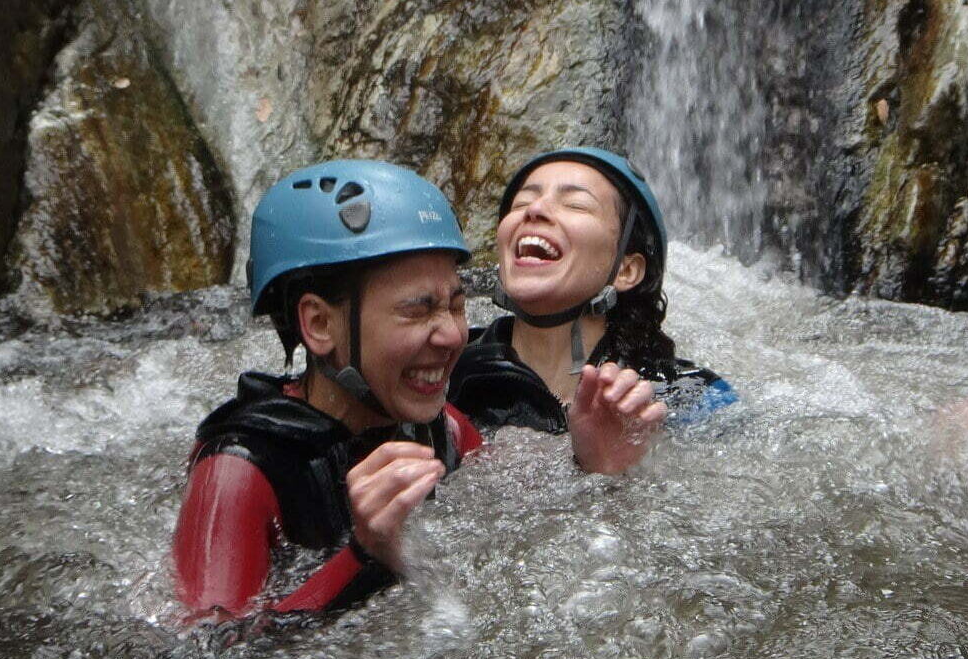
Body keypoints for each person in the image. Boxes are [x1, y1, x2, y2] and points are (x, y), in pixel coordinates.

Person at [172, 160, 484, 621]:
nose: (454, 335)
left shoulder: (444, 430)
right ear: (319, 324)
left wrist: (597, 464)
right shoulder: (238, 474)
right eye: (418, 311)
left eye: (457, 306)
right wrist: (364, 555)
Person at [449, 147, 735, 471]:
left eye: (575, 204)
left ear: (626, 270)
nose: (536, 210)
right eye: (522, 203)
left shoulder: (690, 397)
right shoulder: (443, 380)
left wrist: (611, 475)